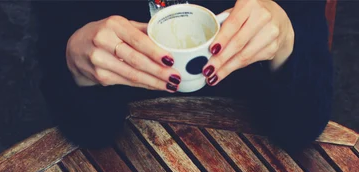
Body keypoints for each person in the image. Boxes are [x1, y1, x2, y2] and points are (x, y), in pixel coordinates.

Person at [35, 0, 332, 151]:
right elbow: (89, 132)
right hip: (130, 169)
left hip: (256, 162)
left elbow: (302, 126)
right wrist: (77, 67)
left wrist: (285, 42)